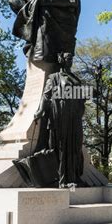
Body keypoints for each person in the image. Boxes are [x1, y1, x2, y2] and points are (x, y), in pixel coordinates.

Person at [34, 53, 86, 188]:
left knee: (76, 145)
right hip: (61, 114)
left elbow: (82, 96)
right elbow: (46, 97)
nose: (70, 61)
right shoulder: (54, 78)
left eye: (71, 59)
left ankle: (75, 177)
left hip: (75, 116)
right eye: (68, 58)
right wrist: (40, 111)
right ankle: (63, 179)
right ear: (61, 59)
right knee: (62, 146)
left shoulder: (76, 79)